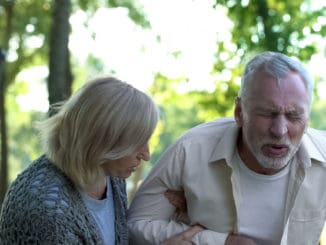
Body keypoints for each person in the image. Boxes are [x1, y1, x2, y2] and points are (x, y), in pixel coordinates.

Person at [127, 51, 326, 244]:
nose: (280, 130)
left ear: (307, 119)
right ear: (239, 112)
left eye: (293, 116)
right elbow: (135, 225)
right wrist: (217, 242)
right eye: (266, 113)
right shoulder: (190, 151)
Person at [0, 76, 159, 244]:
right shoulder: (47, 211)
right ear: (104, 142)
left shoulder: (110, 176)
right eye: (137, 143)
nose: (146, 155)